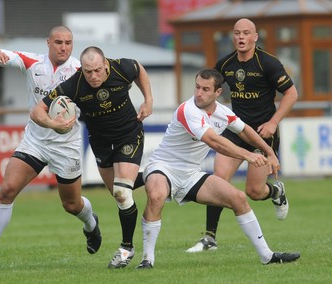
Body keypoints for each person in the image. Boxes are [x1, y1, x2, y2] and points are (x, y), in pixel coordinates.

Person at [0, 26, 102, 270]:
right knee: (7, 190)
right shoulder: (33, 62)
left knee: (72, 205)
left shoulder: (81, 72)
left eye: (68, 43)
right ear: (48, 42)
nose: (64, 47)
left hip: (66, 145)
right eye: (58, 42)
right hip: (35, 141)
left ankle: (91, 224)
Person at [135, 68, 300, 269]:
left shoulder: (222, 113)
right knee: (157, 194)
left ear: (217, 93)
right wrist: (248, 155)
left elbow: (245, 130)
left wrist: (269, 152)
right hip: (163, 168)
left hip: (191, 175)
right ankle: (147, 260)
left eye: (205, 89)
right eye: (197, 87)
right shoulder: (188, 110)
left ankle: (267, 256)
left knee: (238, 198)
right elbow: (214, 142)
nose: (199, 93)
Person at [31, 46, 153, 269]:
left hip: (128, 134)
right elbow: (37, 111)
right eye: (88, 72)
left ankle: (126, 249)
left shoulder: (121, 67)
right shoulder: (74, 85)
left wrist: (148, 99)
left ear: (105, 64)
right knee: (117, 192)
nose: (94, 76)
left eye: (97, 70)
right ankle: (157, 175)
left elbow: (139, 70)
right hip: (100, 142)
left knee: (122, 192)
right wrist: (53, 123)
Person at [186, 18, 299, 253]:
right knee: (218, 179)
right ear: (232, 36)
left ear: (255, 37)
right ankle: (209, 238)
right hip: (235, 130)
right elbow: (209, 90)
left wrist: (273, 122)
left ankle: (276, 191)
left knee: (254, 192)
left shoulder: (268, 63)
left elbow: (291, 94)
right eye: (237, 33)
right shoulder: (225, 63)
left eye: (246, 33)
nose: (241, 37)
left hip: (261, 134)